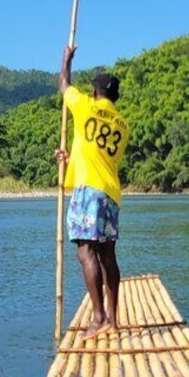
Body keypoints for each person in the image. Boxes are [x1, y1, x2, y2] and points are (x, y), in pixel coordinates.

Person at [55, 45, 129, 340]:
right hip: (111, 193)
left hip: (89, 190)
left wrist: (66, 59)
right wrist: (71, 158)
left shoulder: (85, 105)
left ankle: (98, 319)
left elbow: (63, 84)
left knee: (86, 252)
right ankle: (114, 317)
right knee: (107, 255)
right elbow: (101, 157)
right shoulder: (123, 126)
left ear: (96, 93)